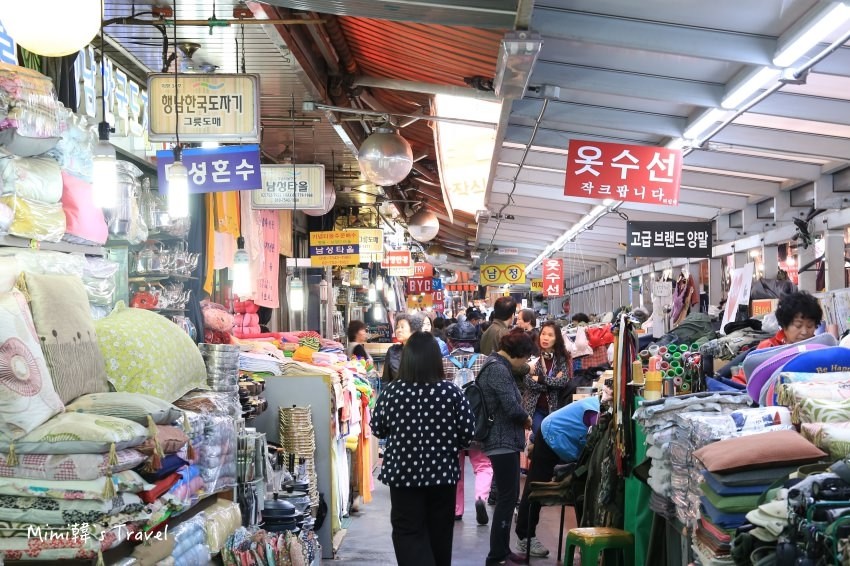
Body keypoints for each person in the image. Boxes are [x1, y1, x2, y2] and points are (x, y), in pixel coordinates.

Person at [372, 331, 475, 566]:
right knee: (440, 532)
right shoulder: (451, 392)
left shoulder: (392, 392)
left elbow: (378, 428)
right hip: (442, 475)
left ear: (407, 359)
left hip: (403, 475)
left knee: (407, 531)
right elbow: (468, 432)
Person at [514, 386, 611, 557]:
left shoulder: (599, 408)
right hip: (551, 435)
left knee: (579, 487)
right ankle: (525, 537)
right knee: (536, 487)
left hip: (560, 439)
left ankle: (586, 538)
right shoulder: (594, 411)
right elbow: (594, 437)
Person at [477, 330, 534, 565]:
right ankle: (497, 555)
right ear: (518, 353)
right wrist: (526, 419)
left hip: (504, 440)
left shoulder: (497, 365)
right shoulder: (498, 369)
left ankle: (503, 549)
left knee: (508, 497)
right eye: (526, 357)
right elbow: (511, 406)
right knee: (507, 498)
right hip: (501, 440)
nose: (526, 362)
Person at [523, 321, 573, 442]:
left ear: (557, 339)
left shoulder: (562, 359)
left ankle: (533, 443)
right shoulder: (533, 357)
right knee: (542, 435)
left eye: (550, 335)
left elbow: (562, 382)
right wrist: (552, 383)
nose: (545, 338)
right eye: (543, 334)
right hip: (535, 408)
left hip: (555, 408)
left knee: (550, 439)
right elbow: (527, 381)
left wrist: (540, 379)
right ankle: (534, 441)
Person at [757, 291, 823, 349]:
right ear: (784, 325)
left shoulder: (820, 348)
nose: (804, 332)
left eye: (810, 326)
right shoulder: (768, 347)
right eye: (798, 326)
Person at [382, 314, 423, 383]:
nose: (398, 330)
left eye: (402, 327)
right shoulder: (392, 351)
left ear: (413, 330)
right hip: (396, 389)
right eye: (397, 327)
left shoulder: (422, 350)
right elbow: (386, 380)